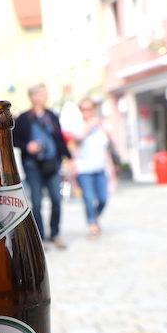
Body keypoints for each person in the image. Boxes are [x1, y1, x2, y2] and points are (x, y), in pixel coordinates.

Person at [14, 84, 72, 249]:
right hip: (33, 165)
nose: (44, 96)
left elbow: (59, 138)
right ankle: (41, 237)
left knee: (56, 199)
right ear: (32, 96)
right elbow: (14, 140)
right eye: (41, 93)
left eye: (45, 93)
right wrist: (28, 146)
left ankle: (55, 233)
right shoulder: (24, 118)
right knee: (37, 202)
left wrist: (67, 157)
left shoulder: (52, 116)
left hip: (52, 163)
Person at [70, 98, 113, 240]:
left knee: (103, 199)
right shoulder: (77, 124)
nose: (86, 111)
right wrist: (89, 125)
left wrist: (112, 169)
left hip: (100, 168)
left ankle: (94, 218)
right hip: (84, 169)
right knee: (88, 198)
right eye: (83, 109)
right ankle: (92, 225)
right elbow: (78, 138)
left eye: (89, 108)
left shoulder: (101, 126)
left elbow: (106, 147)